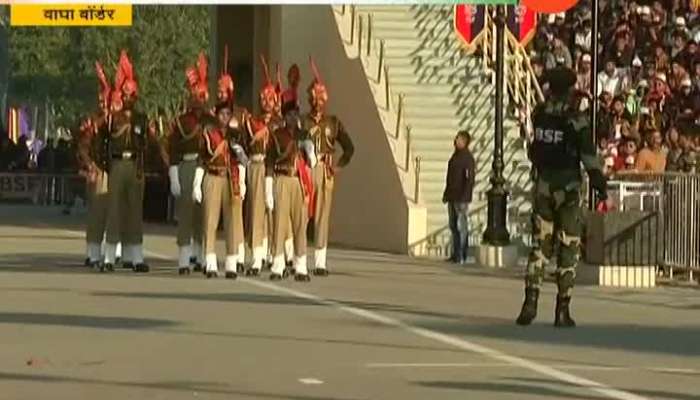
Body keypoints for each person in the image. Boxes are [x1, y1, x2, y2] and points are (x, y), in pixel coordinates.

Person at [516, 66, 608, 328]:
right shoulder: (575, 119)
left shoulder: (540, 113)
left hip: (544, 185)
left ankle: (530, 302)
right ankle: (562, 308)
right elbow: (588, 156)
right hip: (567, 189)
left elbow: (534, 148)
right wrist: (599, 182)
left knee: (540, 246)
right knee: (568, 246)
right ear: (568, 90)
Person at [98, 50, 156, 273]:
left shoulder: (141, 118)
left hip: (135, 165)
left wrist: (147, 166)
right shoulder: (113, 118)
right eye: (126, 94)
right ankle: (110, 257)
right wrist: (104, 165)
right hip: (116, 164)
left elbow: (148, 144)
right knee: (114, 210)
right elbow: (100, 142)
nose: (129, 98)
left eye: (133, 95)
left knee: (134, 211)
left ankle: (136, 256)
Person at [301, 58, 354, 276]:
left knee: (323, 215)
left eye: (321, 96)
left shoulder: (334, 122)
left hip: (325, 169)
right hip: (305, 169)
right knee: (302, 214)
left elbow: (349, 147)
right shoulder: (302, 121)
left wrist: (338, 166)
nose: (318, 100)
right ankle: (298, 257)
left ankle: (320, 261)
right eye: (315, 96)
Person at [195, 101, 247, 279]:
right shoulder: (209, 133)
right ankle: (210, 261)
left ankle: (231, 262)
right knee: (210, 219)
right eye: (222, 114)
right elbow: (202, 157)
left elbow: (243, 160)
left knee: (232, 219)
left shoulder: (236, 135)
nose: (225, 117)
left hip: (231, 177)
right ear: (216, 115)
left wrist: (242, 178)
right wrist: (197, 183)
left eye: (228, 114)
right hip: (213, 176)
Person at [265, 100, 316, 281]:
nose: (293, 117)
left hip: (298, 180)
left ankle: (300, 266)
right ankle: (278, 265)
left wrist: (310, 153)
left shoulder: (304, 135)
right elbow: (270, 161)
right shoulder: (277, 135)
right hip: (282, 178)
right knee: (279, 223)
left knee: (300, 224)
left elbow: (312, 162)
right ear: (284, 117)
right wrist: (268, 189)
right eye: (289, 115)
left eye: (295, 114)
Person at [168, 52, 208, 275]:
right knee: (185, 213)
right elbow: (173, 148)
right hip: (185, 167)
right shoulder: (182, 122)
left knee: (203, 215)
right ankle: (184, 259)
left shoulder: (210, 119)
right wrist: (173, 175)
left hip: (206, 169)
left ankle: (201, 256)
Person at [246, 56, 285, 275]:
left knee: (276, 212)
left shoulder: (280, 123)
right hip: (258, 165)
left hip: (276, 169)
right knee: (257, 211)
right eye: (264, 99)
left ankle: (276, 253)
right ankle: (257, 257)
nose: (267, 103)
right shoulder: (253, 121)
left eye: (271, 99)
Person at [76, 61, 111, 268]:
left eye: (105, 99)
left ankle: (113, 252)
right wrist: (90, 166)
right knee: (97, 213)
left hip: (115, 169)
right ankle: (93, 252)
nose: (102, 102)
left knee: (114, 213)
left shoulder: (117, 121)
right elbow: (82, 147)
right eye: (101, 99)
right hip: (99, 171)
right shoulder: (93, 123)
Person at [442, 130, 475, 265]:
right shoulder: (455, 157)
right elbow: (450, 178)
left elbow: (469, 179)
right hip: (452, 196)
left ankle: (462, 254)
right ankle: (455, 254)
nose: (455, 140)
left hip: (461, 198)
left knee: (461, 227)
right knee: (453, 226)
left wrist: (465, 196)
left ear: (465, 142)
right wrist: (446, 193)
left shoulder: (467, 158)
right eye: (456, 138)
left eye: (459, 139)